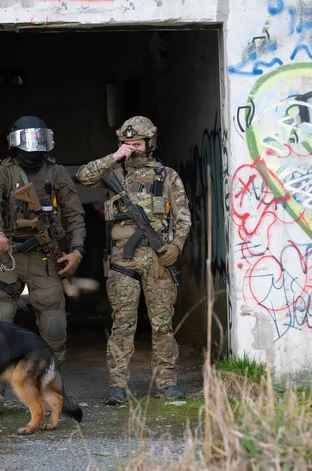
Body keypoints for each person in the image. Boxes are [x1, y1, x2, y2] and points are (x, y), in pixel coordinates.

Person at [76, 116, 191, 403]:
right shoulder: (113, 172)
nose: (133, 150)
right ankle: (118, 385)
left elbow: (183, 217)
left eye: (137, 144)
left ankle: (166, 383)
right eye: (127, 145)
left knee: (162, 324)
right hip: (122, 263)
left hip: (157, 260)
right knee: (122, 325)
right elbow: (82, 176)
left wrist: (176, 246)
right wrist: (115, 157)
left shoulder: (167, 176)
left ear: (151, 143)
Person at [0, 115, 87, 414]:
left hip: (44, 258)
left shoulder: (57, 174)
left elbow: (75, 215)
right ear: (16, 142)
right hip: (10, 256)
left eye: (40, 140)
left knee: (54, 327)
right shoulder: (0, 173)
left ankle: (53, 391)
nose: (34, 148)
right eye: (29, 140)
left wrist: (76, 251)